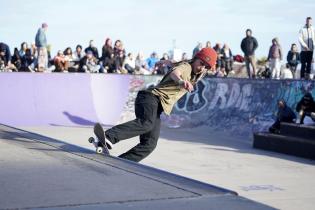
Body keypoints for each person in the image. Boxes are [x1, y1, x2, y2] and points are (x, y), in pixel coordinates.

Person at [95, 48, 217, 162]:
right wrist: (180, 81)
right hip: (150, 98)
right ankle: (108, 137)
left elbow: (176, 64)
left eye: (206, 67)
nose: (202, 68)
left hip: (156, 106)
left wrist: (167, 62)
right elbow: (176, 72)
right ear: (195, 59)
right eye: (201, 63)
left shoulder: (193, 73)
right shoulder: (187, 67)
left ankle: (123, 162)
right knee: (146, 124)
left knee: (150, 144)